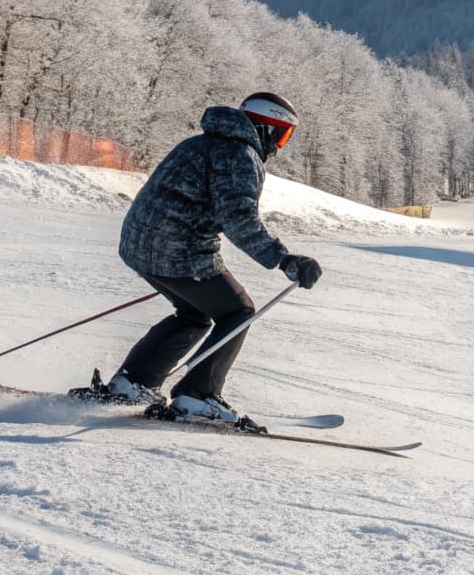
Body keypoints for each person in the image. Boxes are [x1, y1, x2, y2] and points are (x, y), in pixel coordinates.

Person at [91, 92, 322, 422]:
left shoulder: (198, 143)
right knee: (239, 310)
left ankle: (133, 383)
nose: (279, 146)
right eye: (282, 135)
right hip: (180, 252)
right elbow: (239, 220)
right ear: (265, 128)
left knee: (194, 313)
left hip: (137, 245)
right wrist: (285, 260)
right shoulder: (239, 154)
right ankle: (196, 395)